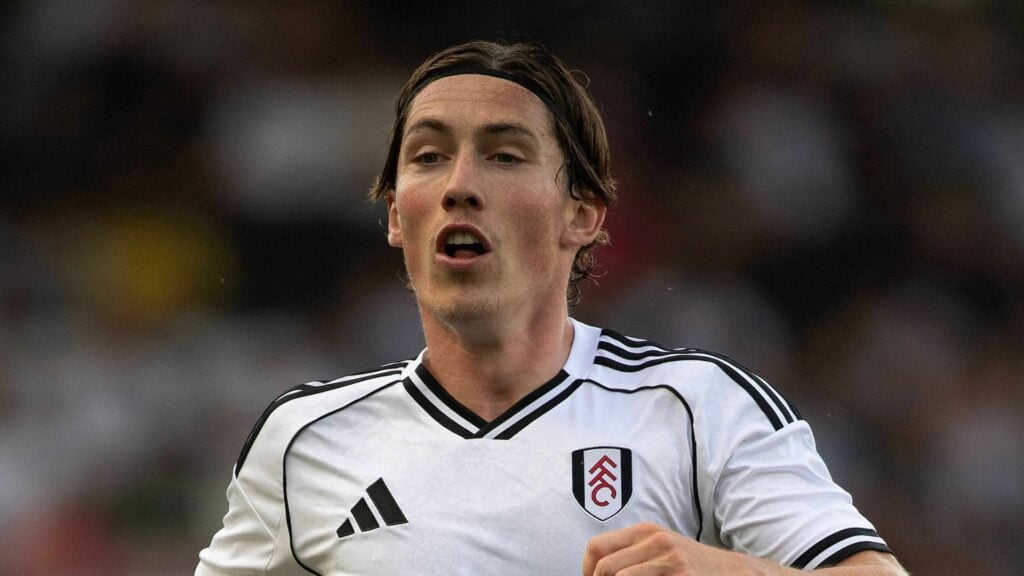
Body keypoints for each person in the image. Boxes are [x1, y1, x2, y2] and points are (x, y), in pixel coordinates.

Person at [195, 40, 908, 575]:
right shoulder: (304, 441)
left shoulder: (698, 406)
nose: (460, 186)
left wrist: (730, 571)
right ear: (393, 214)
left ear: (584, 215)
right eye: (428, 156)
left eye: (505, 156)